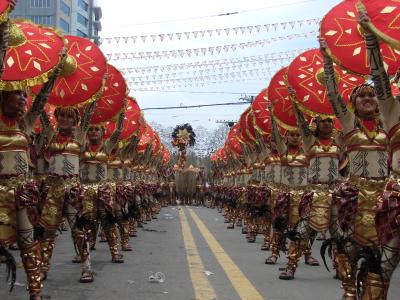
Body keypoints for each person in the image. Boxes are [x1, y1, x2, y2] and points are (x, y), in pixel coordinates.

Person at [320, 21, 390, 297]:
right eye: (362, 96)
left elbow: (385, 86)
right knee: (349, 249)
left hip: (384, 197)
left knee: (382, 258)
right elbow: (334, 95)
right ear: (354, 104)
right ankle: (349, 290)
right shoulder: (349, 127)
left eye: (371, 95)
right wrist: (328, 63)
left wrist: (375, 42)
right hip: (355, 197)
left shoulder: (387, 127)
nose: (369, 98)